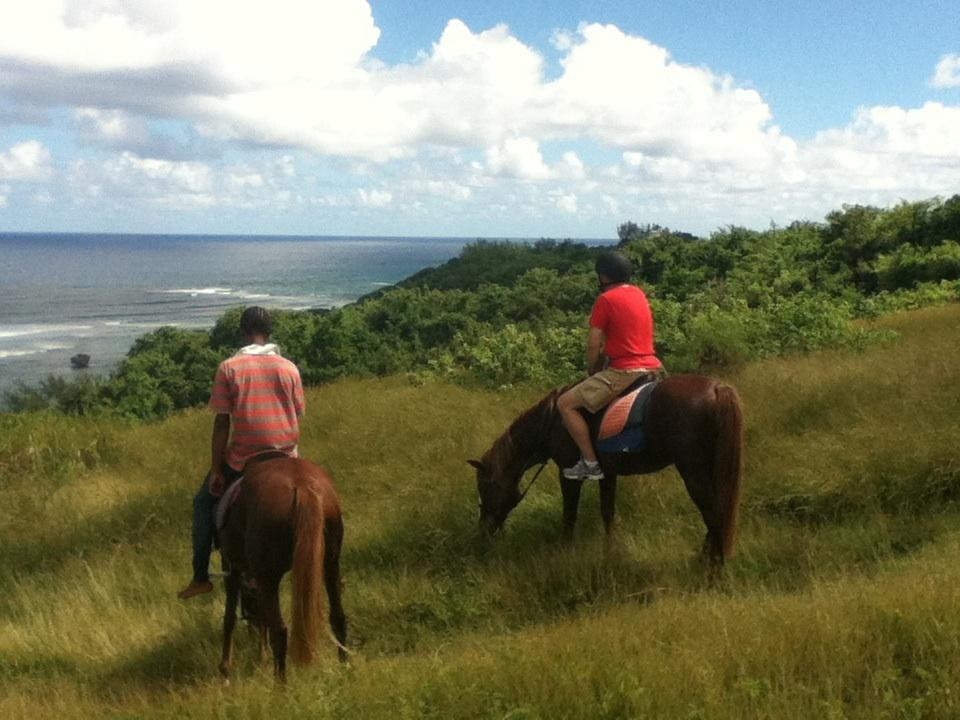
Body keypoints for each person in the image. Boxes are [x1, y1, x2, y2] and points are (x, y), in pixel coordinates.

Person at [177, 306, 305, 600]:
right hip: (286, 456)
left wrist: (218, 470)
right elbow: (297, 412)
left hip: (244, 459)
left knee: (202, 504)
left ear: (243, 332)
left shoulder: (229, 368)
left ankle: (200, 577)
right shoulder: (289, 367)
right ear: (269, 332)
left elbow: (222, 422)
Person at [557, 250, 664, 481]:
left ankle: (590, 463)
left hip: (624, 371)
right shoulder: (638, 294)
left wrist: (592, 367)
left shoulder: (606, 299)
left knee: (565, 404)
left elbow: (593, 342)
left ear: (604, 277)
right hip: (653, 367)